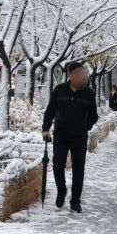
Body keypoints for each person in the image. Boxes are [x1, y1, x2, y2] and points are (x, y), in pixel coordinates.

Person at [41, 61, 98, 213]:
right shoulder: (59, 90)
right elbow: (50, 110)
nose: (82, 77)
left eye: (83, 74)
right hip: (61, 135)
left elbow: (94, 116)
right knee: (58, 164)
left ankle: (75, 201)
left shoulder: (88, 93)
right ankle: (61, 190)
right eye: (79, 73)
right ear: (71, 75)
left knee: (79, 169)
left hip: (79, 137)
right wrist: (45, 129)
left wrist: (85, 126)